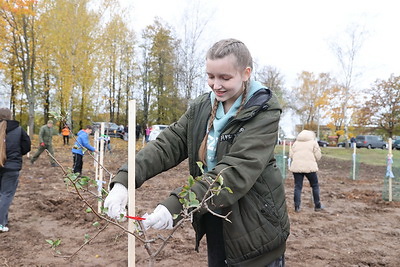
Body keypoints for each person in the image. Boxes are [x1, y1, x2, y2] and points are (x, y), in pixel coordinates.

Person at [104, 39, 290, 266]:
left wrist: (177, 205)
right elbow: (168, 144)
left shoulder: (263, 110)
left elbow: (235, 169)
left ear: (246, 73)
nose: (216, 85)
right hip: (213, 214)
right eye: (211, 76)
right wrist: (125, 181)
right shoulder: (202, 107)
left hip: (255, 225)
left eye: (225, 78)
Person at [0, 108, 31, 232]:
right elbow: (26, 147)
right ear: (10, 116)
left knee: (2, 195)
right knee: (6, 195)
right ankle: (1, 223)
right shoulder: (19, 130)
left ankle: (3, 220)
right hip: (12, 167)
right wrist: (16, 155)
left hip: (6, 167)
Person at [289, 130, 323, 212]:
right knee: (315, 186)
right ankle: (317, 206)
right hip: (310, 167)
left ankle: (297, 207)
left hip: (297, 167)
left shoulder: (296, 143)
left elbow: (291, 155)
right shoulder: (313, 143)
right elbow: (318, 156)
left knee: (298, 187)